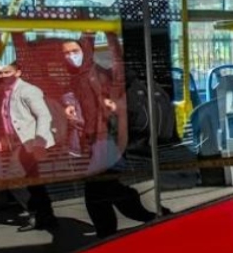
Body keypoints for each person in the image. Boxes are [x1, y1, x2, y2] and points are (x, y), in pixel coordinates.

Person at [61, 40, 162, 238]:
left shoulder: (94, 74)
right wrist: (68, 104)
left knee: (97, 192)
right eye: (66, 53)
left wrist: (111, 105)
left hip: (105, 139)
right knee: (107, 189)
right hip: (96, 140)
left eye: (74, 51)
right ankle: (144, 219)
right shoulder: (77, 75)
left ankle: (109, 233)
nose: (70, 56)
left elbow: (111, 99)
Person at [0, 61, 57, 232]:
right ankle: (47, 217)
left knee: (14, 180)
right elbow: (7, 118)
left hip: (30, 142)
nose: (5, 76)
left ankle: (36, 214)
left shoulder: (28, 90)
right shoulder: (5, 92)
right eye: (2, 73)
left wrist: (39, 143)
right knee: (34, 182)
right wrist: (3, 139)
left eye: (8, 72)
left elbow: (44, 115)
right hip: (17, 142)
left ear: (18, 72)